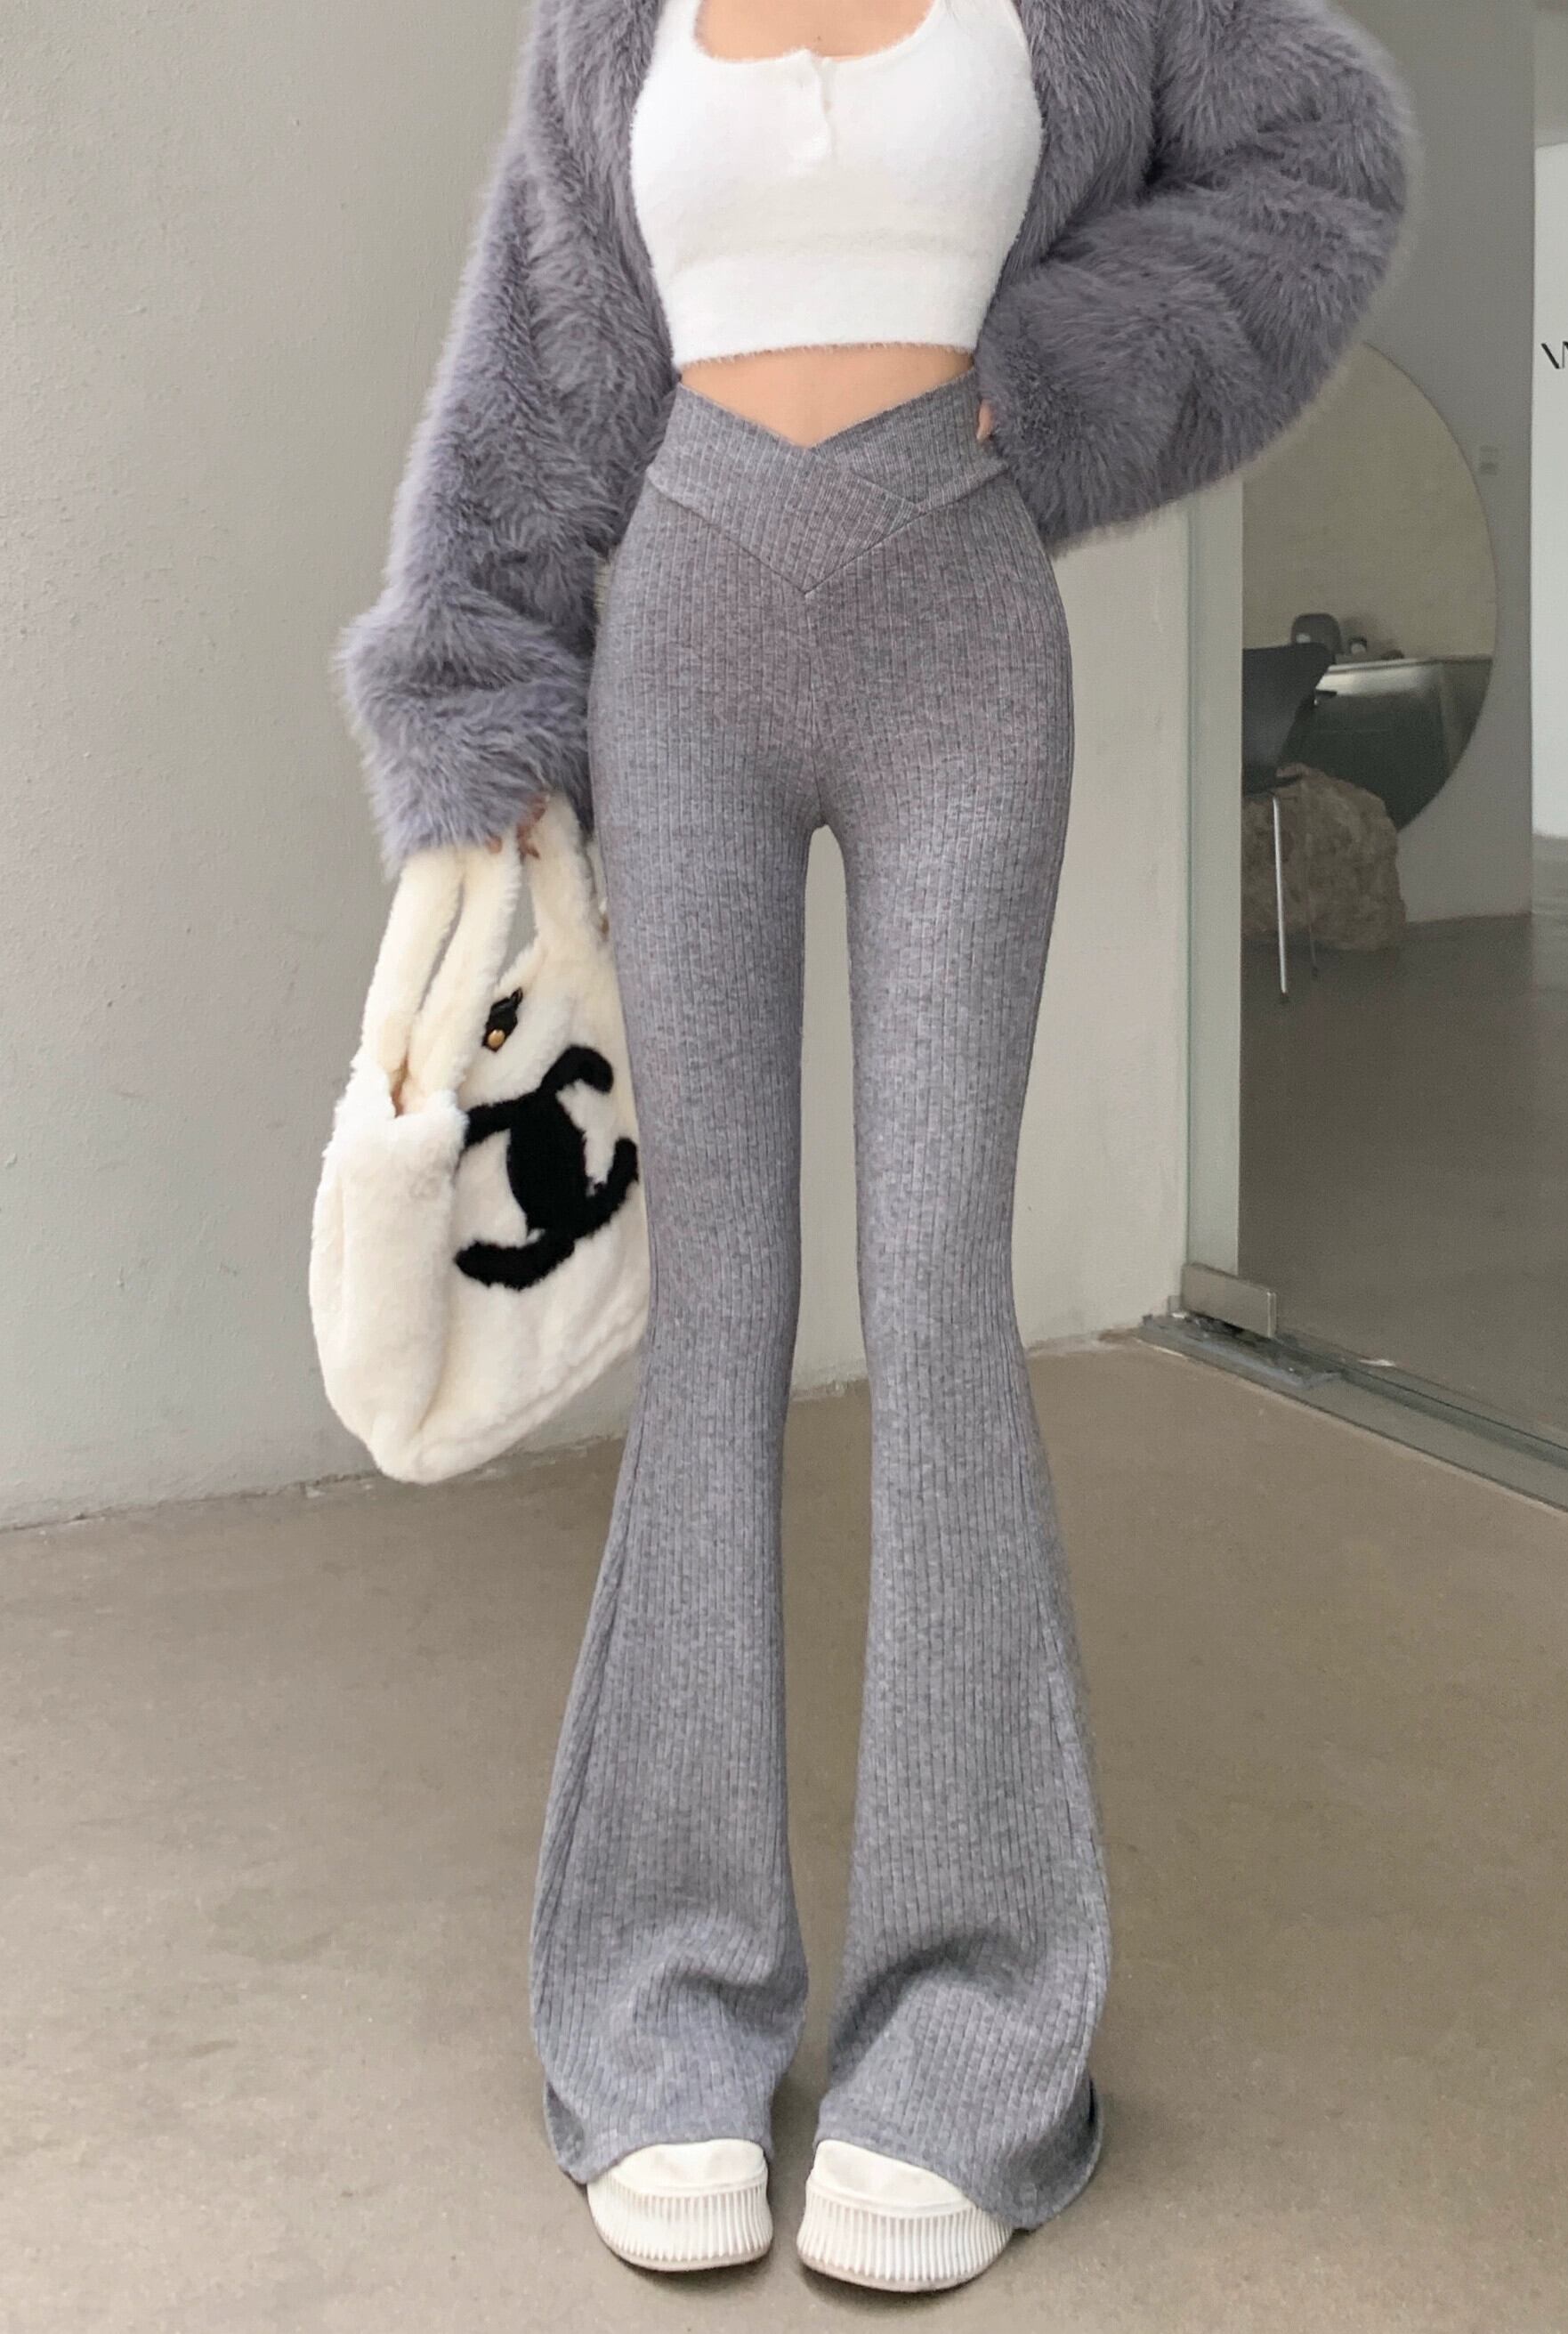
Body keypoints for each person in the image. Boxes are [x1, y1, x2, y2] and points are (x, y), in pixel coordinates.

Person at [337, 0, 1410, 2294]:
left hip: (958, 637)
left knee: (937, 1307)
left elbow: (1324, 159)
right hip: (681, 643)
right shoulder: (612, 23)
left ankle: (970, 2040)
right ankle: (667, 1999)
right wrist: (478, 717)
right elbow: (534, 382)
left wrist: (1080, 367)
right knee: (716, 1323)